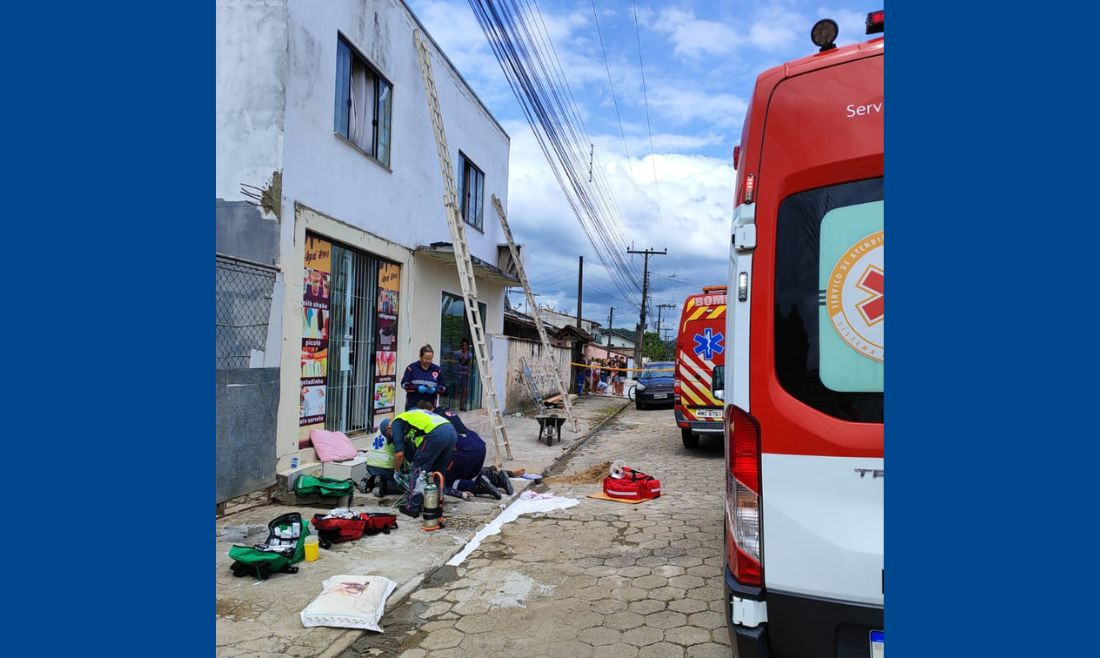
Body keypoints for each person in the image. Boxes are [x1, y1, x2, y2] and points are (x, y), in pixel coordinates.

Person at [384, 406, 457, 479]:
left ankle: (416, 490)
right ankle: (440, 490)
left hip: (436, 433)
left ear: (388, 428)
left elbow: (399, 454)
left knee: (418, 470)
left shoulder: (396, 422)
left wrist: (397, 471)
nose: (393, 437)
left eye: (390, 435)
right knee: (438, 471)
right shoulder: (415, 415)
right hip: (452, 431)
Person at [401, 344, 447, 411]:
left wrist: (435, 389)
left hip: (430, 408)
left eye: (430, 359)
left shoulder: (437, 370)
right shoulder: (411, 368)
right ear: (420, 356)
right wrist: (417, 388)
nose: (428, 361)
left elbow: (443, 387)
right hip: (413, 406)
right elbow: (404, 384)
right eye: (426, 359)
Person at [451, 339, 473, 411]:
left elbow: (469, 365)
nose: (464, 347)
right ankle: (454, 406)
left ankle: (461, 406)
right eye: (463, 345)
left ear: (467, 346)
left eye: (465, 345)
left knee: (464, 391)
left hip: (465, 375)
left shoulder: (469, 354)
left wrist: (469, 373)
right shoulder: (457, 354)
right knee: (456, 390)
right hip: (457, 373)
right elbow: (453, 362)